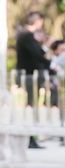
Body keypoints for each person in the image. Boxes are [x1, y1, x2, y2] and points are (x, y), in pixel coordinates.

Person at [16, 11, 51, 148]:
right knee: (30, 106)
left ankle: (32, 138)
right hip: (28, 77)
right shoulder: (26, 35)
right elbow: (37, 55)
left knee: (32, 105)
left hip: (30, 77)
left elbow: (39, 53)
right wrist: (51, 65)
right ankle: (29, 138)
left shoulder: (26, 36)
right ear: (37, 22)